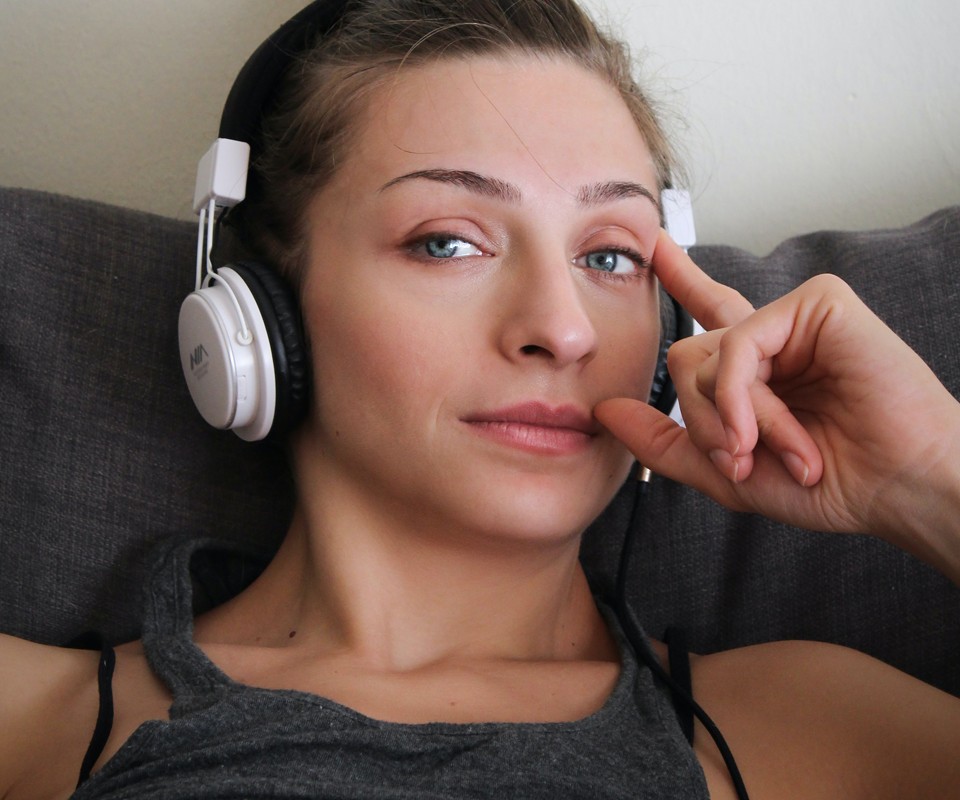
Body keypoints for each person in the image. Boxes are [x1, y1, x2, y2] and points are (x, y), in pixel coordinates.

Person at [1, 1, 958, 798]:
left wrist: (930, 476)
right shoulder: (42, 721)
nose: (564, 329)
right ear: (256, 313)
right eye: (448, 242)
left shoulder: (814, 729)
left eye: (610, 256)